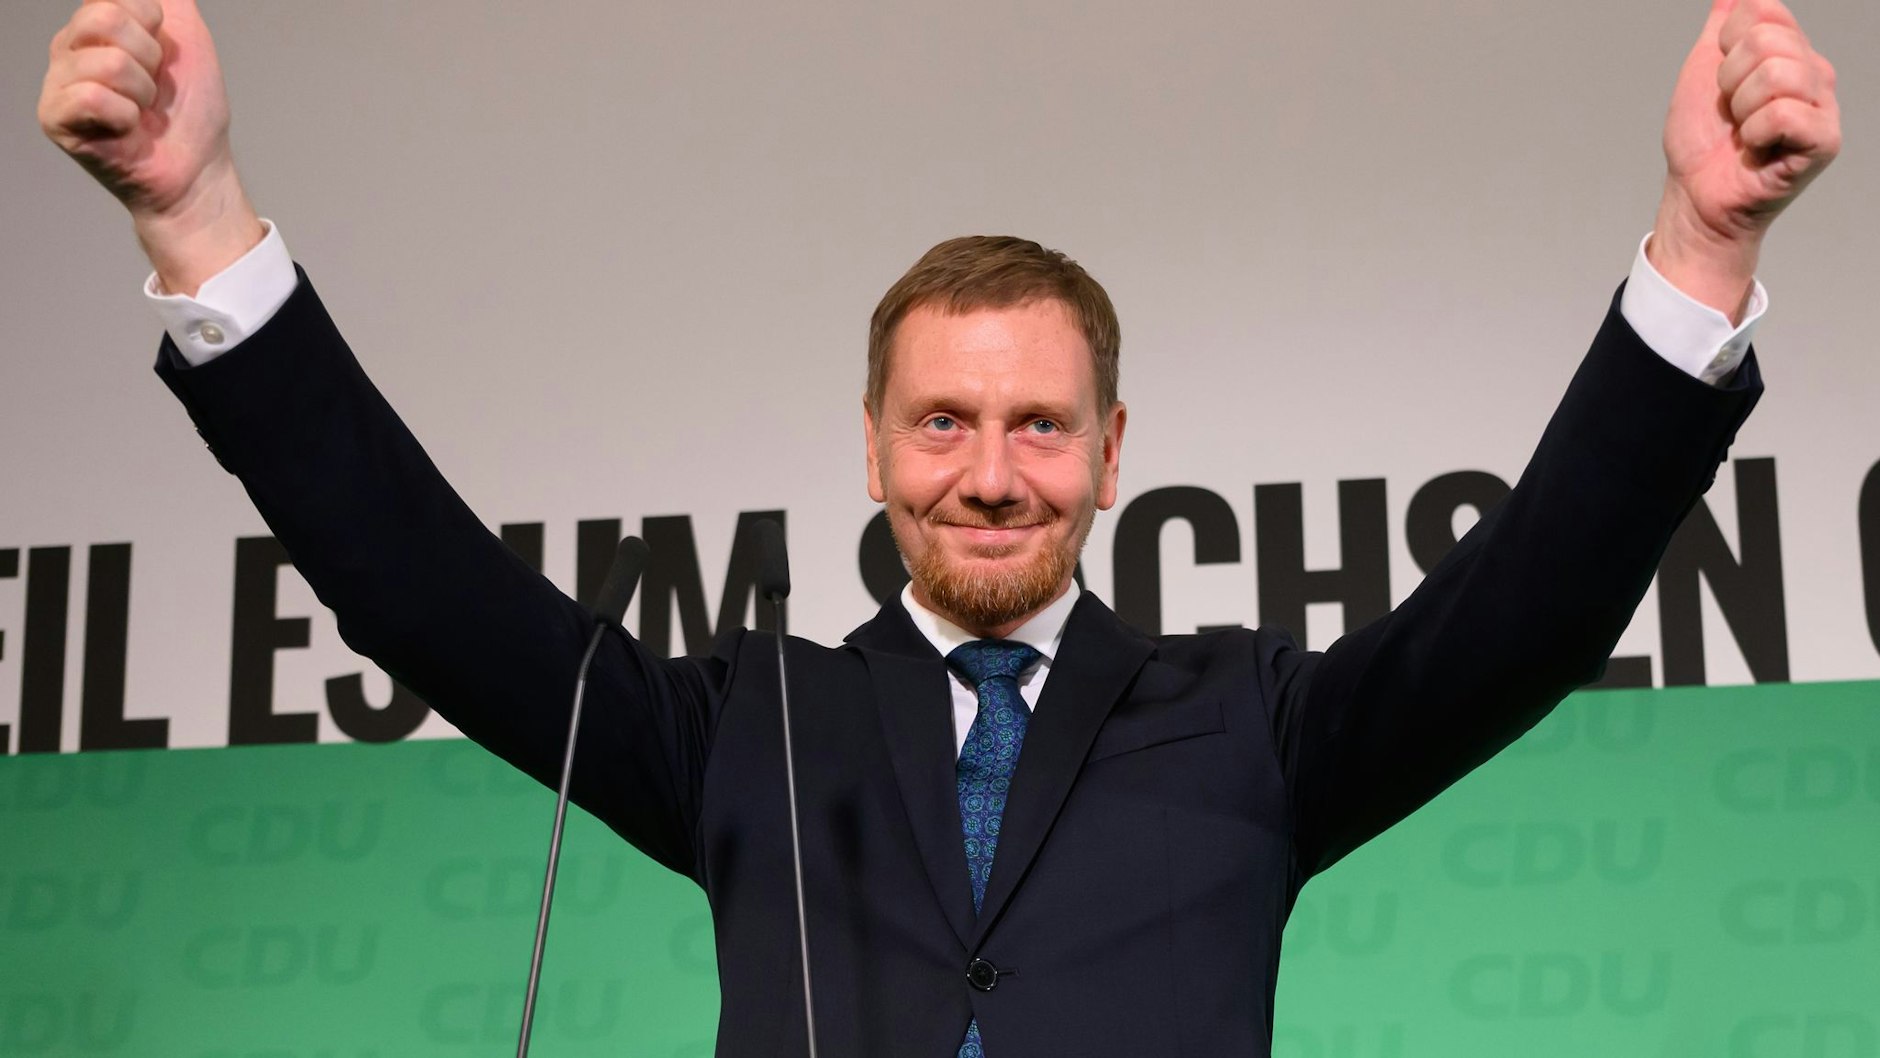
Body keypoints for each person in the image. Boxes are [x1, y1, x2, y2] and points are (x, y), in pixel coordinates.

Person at [37, 0, 1840, 1055]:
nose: (992, 470)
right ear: (878, 447)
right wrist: (197, 218)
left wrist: (1705, 247)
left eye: (1041, 423)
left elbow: (1528, 607)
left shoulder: (1255, 723)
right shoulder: (753, 721)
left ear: (1113, 449)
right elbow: (419, 584)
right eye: (946, 421)